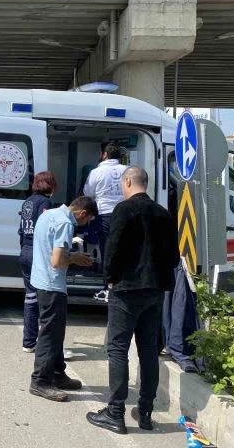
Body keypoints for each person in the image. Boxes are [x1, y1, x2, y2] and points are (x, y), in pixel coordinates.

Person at [86, 166, 180, 435]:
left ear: (127, 181)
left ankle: (115, 413)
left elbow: (113, 248)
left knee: (118, 349)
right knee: (148, 351)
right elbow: (174, 258)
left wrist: (109, 279)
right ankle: (145, 412)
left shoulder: (123, 210)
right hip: (155, 291)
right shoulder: (163, 214)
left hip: (126, 290)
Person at [29, 196, 97, 402]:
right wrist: (75, 258)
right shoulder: (65, 223)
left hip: (40, 279)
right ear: (82, 213)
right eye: (87, 220)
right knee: (50, 335)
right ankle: (40, 381)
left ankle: (58, 374)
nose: (84, 225)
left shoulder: (48, 214)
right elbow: (57, 260)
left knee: (56, 332)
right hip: (52, 284)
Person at [18, 171, 57, 353]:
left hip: (25, 251)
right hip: (38, 253)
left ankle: (28, 341)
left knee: (30, 297)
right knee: (45, 299)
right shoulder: (45, 203)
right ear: (50, 185)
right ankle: (48, 344)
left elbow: (21, 230)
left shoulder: (27, 202)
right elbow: (48, 230)